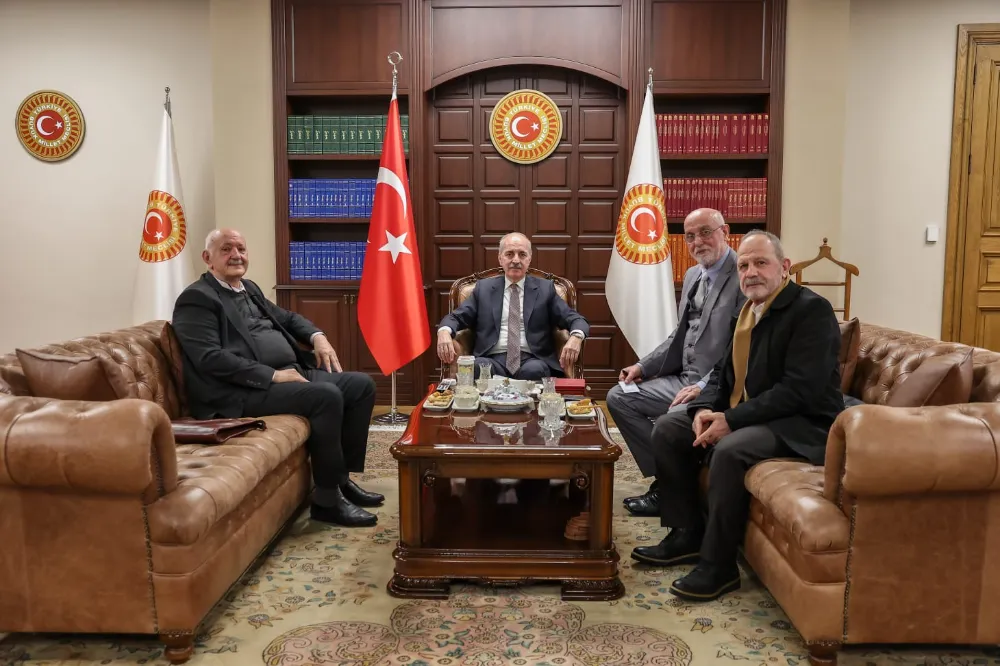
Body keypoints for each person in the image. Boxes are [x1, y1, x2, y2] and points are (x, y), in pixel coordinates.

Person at [630, 230, 844, 602]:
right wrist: (703, 409)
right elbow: (721, 373)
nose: (751, 272)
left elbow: (799, 390)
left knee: (730, 450)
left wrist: (731, 420)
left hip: (800, 422)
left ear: (784, 267)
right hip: (752, 414)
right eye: (744, 265)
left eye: (761, 263)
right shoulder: (745, 312)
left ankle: (719, 567)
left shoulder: (811, 310)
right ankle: (686, 535)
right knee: (669, 429)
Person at [171, 229, 381, 528]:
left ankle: (340, 480)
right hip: (240, 390)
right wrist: (272, 375)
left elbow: (289, 318)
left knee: (361, 386)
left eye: (241, 249)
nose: (236, 255)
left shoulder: (248, 288)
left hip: (289, 371)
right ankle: (326, 501)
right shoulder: (197, 298)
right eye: (226, 249)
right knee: (325, 396)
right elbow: (209, 358)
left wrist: (317, 336)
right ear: (208, 258)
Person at [607, 209, 745, 517]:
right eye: (690, 236)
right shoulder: (694, 274)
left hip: (714, 387)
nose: (697, 242)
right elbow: (679, 336)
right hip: (682, 379)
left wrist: (703, 386)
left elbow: (740, 346)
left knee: (669, 424)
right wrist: (642, 367)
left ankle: (670, 490)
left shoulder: (743, 274)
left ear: (725, 232)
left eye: (705, 232)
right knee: (619, 397)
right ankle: (668, 478)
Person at [436, 232, 589, 380]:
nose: (516, 260)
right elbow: (456, 317)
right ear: (500, 258)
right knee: (478, 367)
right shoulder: (483, 289)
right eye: (509, 254)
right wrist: (444, 332)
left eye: (522, 254)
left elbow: (575, 319)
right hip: (492, 359)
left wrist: (576, 337)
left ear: (529, 259)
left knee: (535, 370)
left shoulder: (545, 289)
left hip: (532, 360)